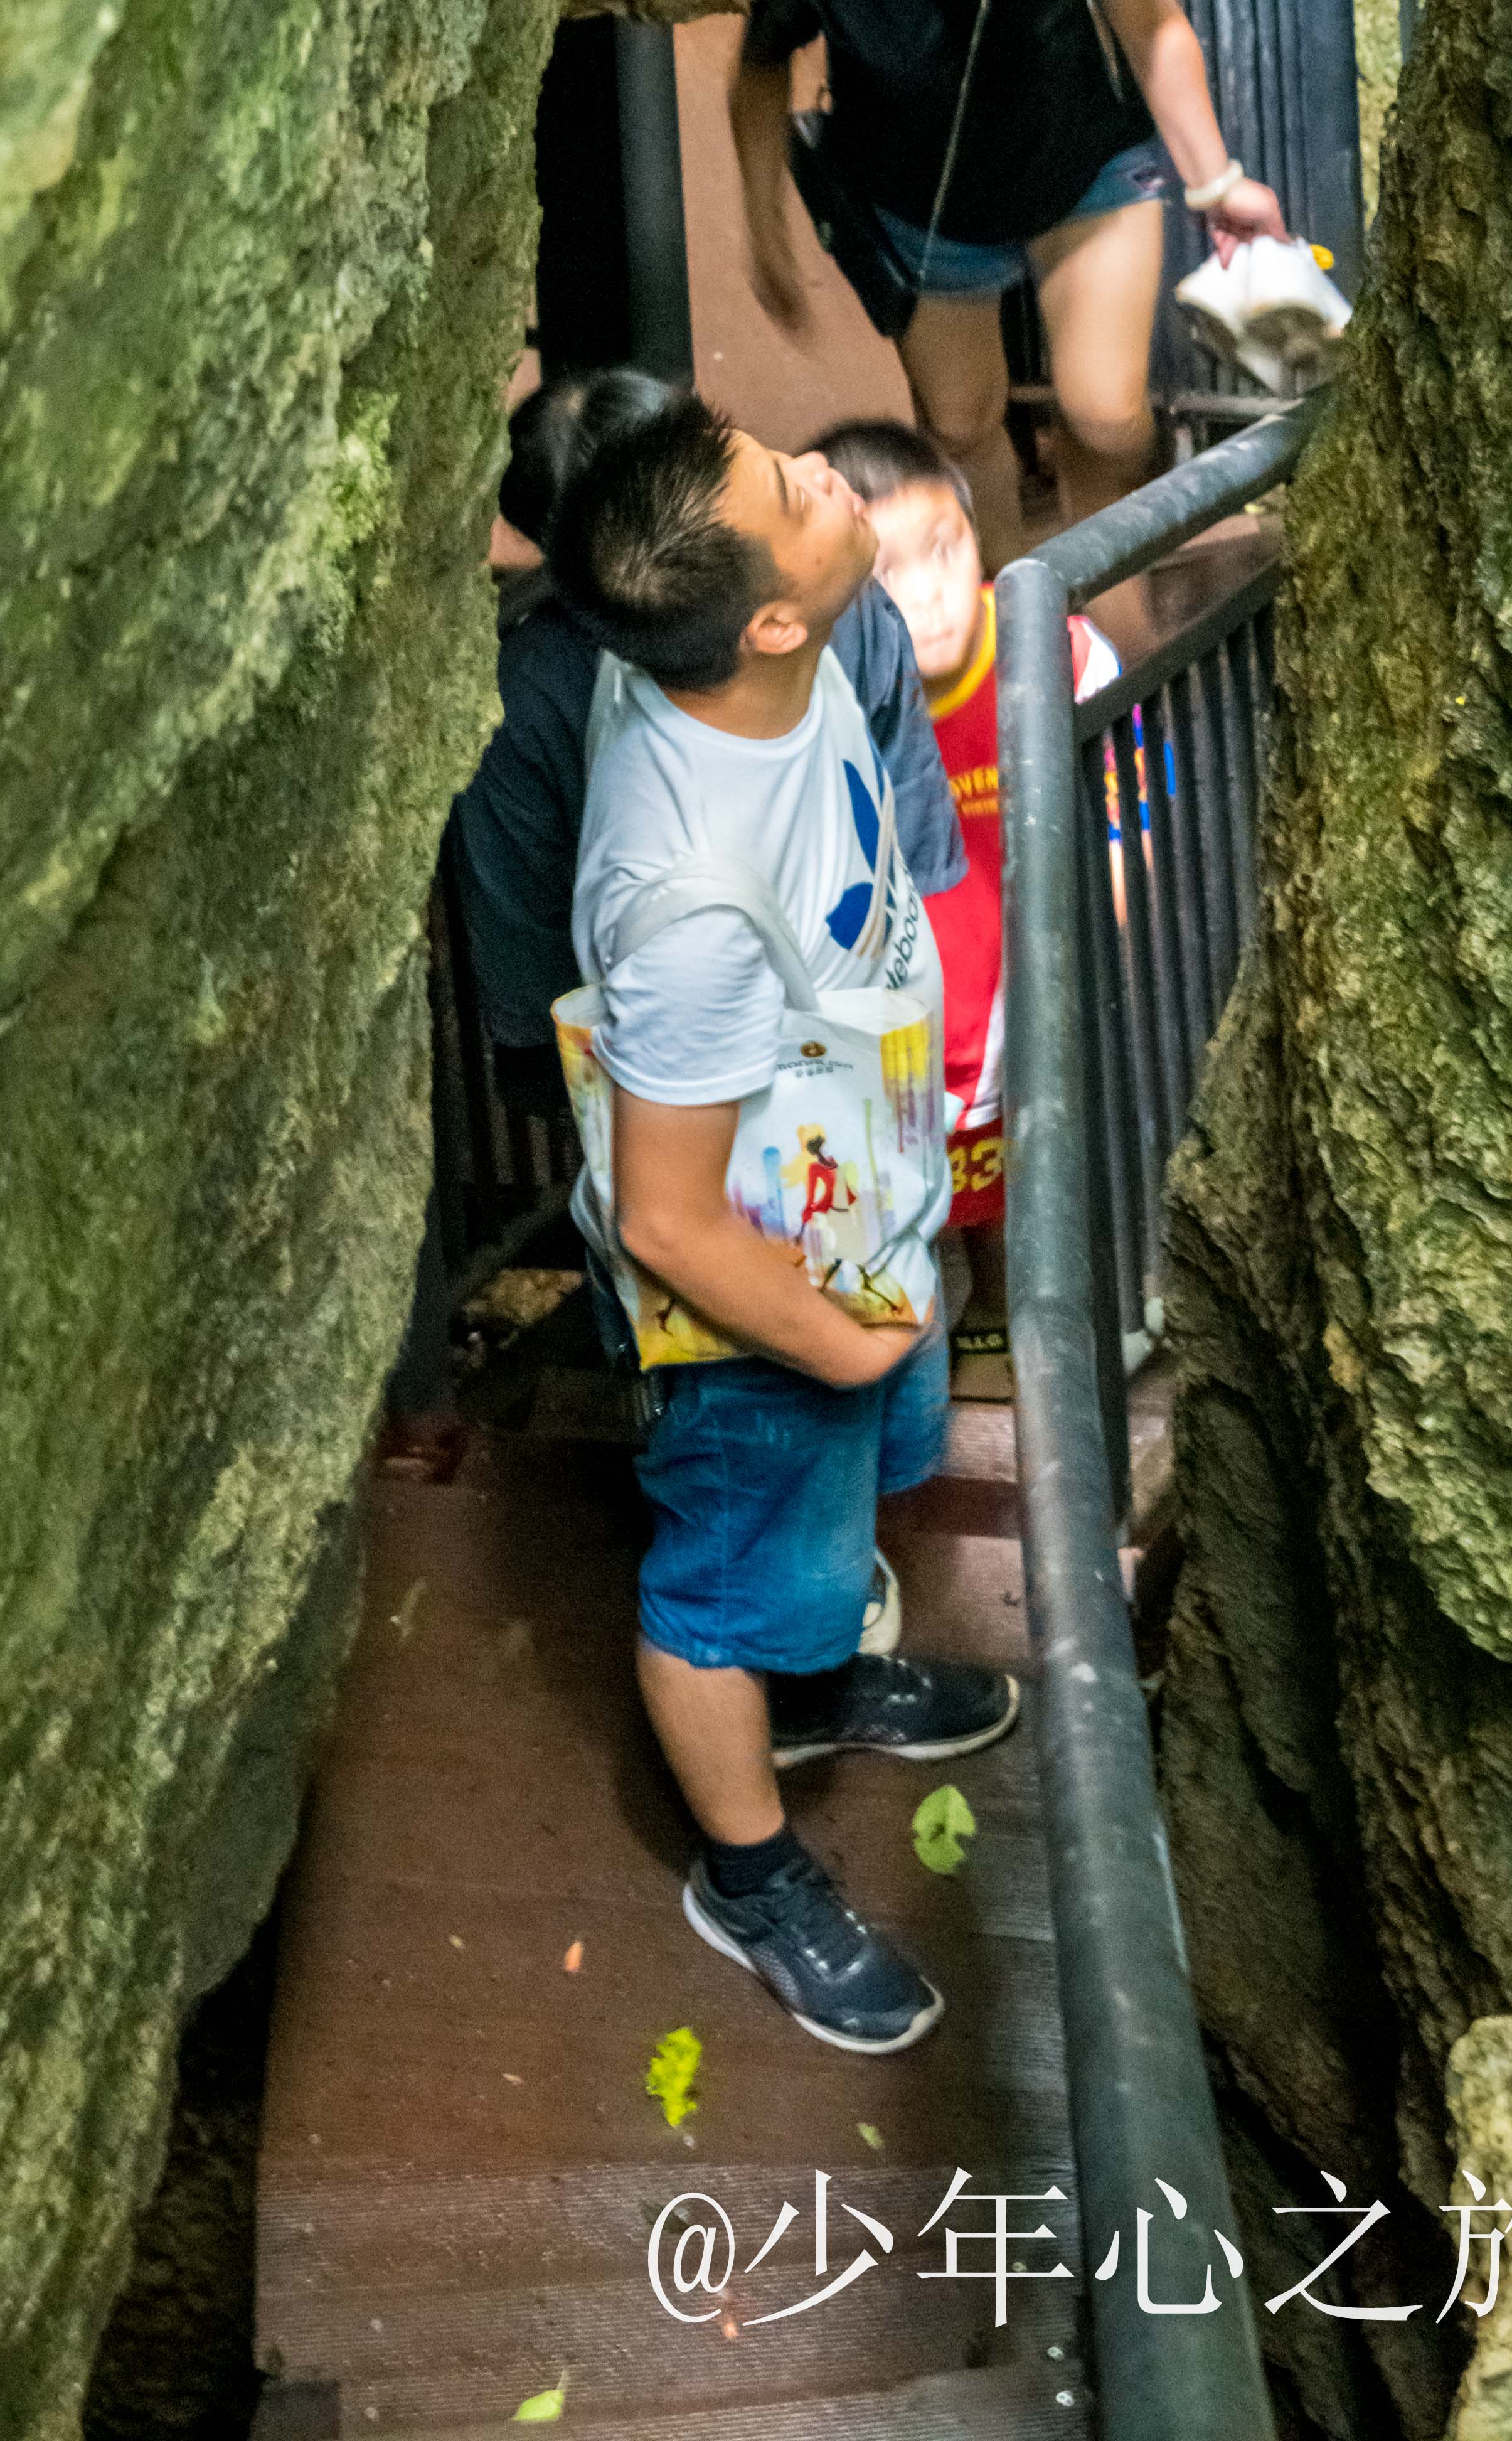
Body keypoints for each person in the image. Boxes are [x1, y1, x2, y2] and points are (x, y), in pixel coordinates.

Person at [546, 382, 1017, 2057]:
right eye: (797, 495)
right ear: (758, 615)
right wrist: (832, 1338)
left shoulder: (762, 660)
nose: (829, 474)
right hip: (758, 1285)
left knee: (841, 1509)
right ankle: (748, 1871)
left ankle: (818, 1683)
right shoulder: (683, 899)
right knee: (725, 1577)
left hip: (853, 1178)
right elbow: (670, 1219)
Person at [730, 0, 1286, 555]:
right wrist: (763, 223)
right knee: (958, 425)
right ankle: (1016, 635)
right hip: (921, 202)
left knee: (1107, 413)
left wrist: (1220, 182)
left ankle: (1115, 612)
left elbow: (1152, 27)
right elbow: (761, 65)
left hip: (1081, 168)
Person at [452, 369, 964, 1075]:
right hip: (817, 1097)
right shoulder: (829, 603)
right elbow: (921, 855)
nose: (818, 465)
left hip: (710, 1085)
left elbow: (531, 995)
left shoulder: (524, 692)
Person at [817, 416, 1115, 1310]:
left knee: (1024, 1178)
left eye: (944, 550)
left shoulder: (1055, 656)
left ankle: (1003, 1315)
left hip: (1025, 990)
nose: (929, 595)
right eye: (886, 575)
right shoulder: (824, 691)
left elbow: (1130, 803)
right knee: (905, 1184)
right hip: (896, 1011)